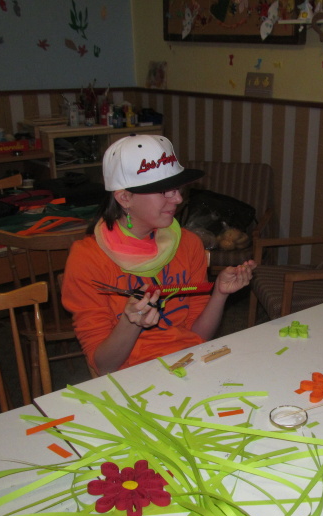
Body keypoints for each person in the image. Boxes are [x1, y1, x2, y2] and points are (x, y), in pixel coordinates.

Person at [62, 135, 256, 376]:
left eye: (177, 189)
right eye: (164, 191)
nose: (178, 198)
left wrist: (219, 293)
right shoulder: (87, 258)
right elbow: (104, 365)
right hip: (130, 376)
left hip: (188, 364)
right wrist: (131, 322)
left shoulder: (188, 243)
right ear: (124, 198)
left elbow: (198, 337)